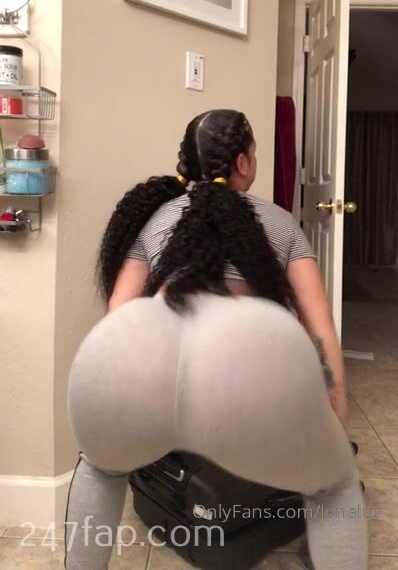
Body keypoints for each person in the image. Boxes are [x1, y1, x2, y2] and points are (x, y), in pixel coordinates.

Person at [65, 110, 367, 569]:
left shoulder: (152, 219)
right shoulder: (281, 223)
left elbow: (119, 314)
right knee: (336, 484)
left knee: (101, 468)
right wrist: (336, 417)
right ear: (243, 162)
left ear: (187, 163)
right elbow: (319, 327)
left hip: (139, 368)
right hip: (247, 376)